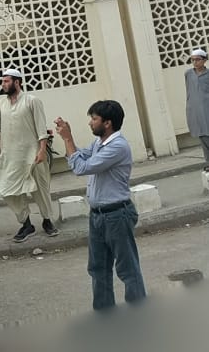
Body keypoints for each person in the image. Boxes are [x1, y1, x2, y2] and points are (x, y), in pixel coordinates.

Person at [55, 100, 146, 311]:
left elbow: (81, 167)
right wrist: (68, 139)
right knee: (98, 269)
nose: (90, 123)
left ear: (107, 123)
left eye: (94, 119)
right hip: (97, 215)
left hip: (117, 215)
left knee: (127, 269)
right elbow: (80, 155)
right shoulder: (99, 143)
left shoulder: (117, 147)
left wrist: (67, 138)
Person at [0, 68, 58, 242]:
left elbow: (41, 128)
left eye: (6, 81)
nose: (3, 84)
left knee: (41, 189)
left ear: (17, 82)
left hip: (33, 154)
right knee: (9, 190)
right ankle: (26, 224)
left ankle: (47, 220)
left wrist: (42, 150)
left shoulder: (32, 101)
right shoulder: (2, 103)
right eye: (2, 81)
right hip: (11, 156)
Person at [185, 49, 209, 185]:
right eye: (193, 60)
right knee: (202, 136)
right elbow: (189, 91)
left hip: (207, 109)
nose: (195, 62)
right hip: (195, 110)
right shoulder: (188, 74)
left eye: (198, 59)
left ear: (204, 60)